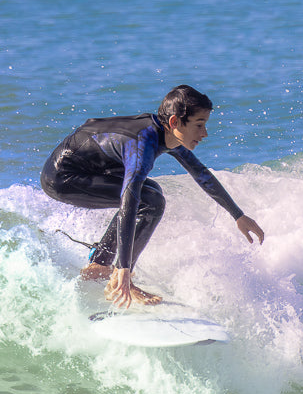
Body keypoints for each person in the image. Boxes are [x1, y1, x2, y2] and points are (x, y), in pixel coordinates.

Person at [40, 84, 264, 308]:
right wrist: (125, 268)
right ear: (175, 122)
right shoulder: (142, 145)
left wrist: (238, 216)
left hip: (92, 168)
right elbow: (129, 205)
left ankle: (99, 265)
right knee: (149, 200)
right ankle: (115, 276)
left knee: (152, 192)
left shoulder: (168, 134)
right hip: (62, 177)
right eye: (199, 125)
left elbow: (201, 174)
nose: (205, 133)